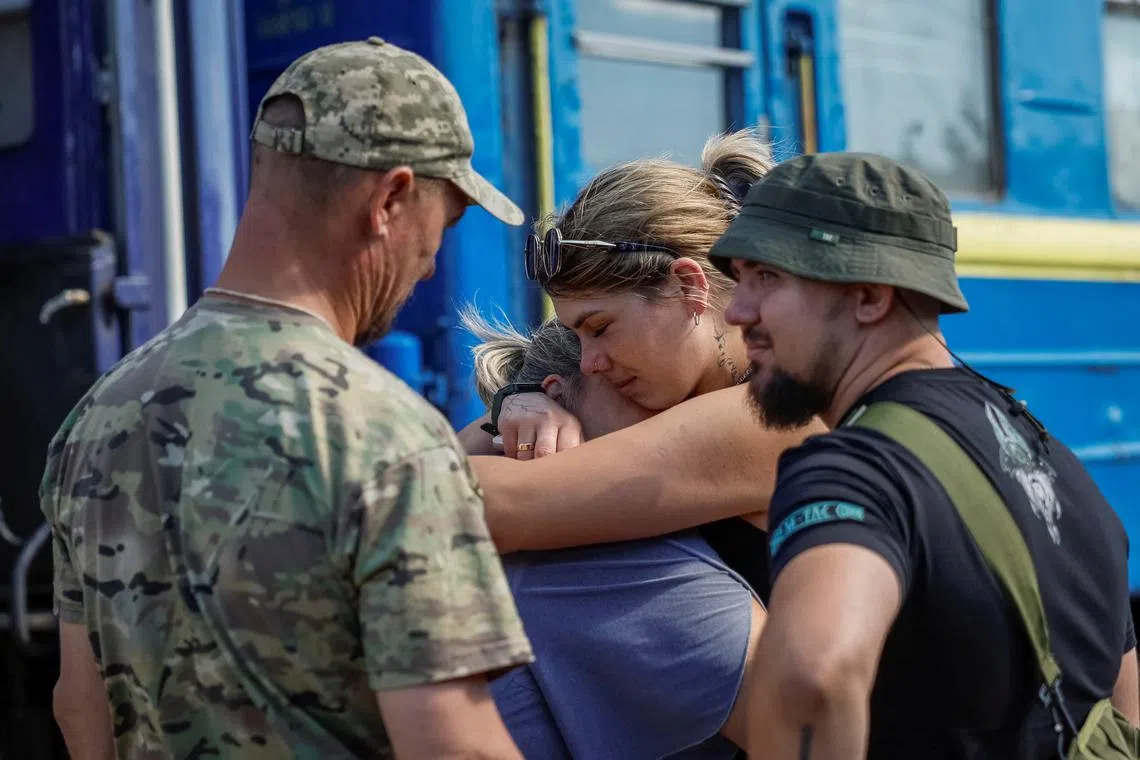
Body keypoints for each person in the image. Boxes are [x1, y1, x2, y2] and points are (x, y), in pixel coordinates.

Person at [40, 38, 534, 760]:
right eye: (445, 223)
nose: (431, 264)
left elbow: (80, 713)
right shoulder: (386, 436)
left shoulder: (96, 419)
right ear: (391, 200)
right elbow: (457, 746)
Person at [709, 151, 1139, 759]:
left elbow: (813, 680)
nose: (737, 311)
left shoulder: (855, 470)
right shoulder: (1056, 462)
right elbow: (1120, 706)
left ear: (869, 296)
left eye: (768, 278)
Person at [460, 132, 826, 595]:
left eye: (601, 328)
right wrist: (520, 399)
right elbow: (464, 453)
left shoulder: (779, 415)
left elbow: (488, 505)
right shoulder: (702, 385)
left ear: (688, 287)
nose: (589, 362)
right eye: (576, 336)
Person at [463, 311, 763, 759]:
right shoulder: (633, 569)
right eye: (633, 390)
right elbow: (813, 717)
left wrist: (512, 406)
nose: (685, 421)